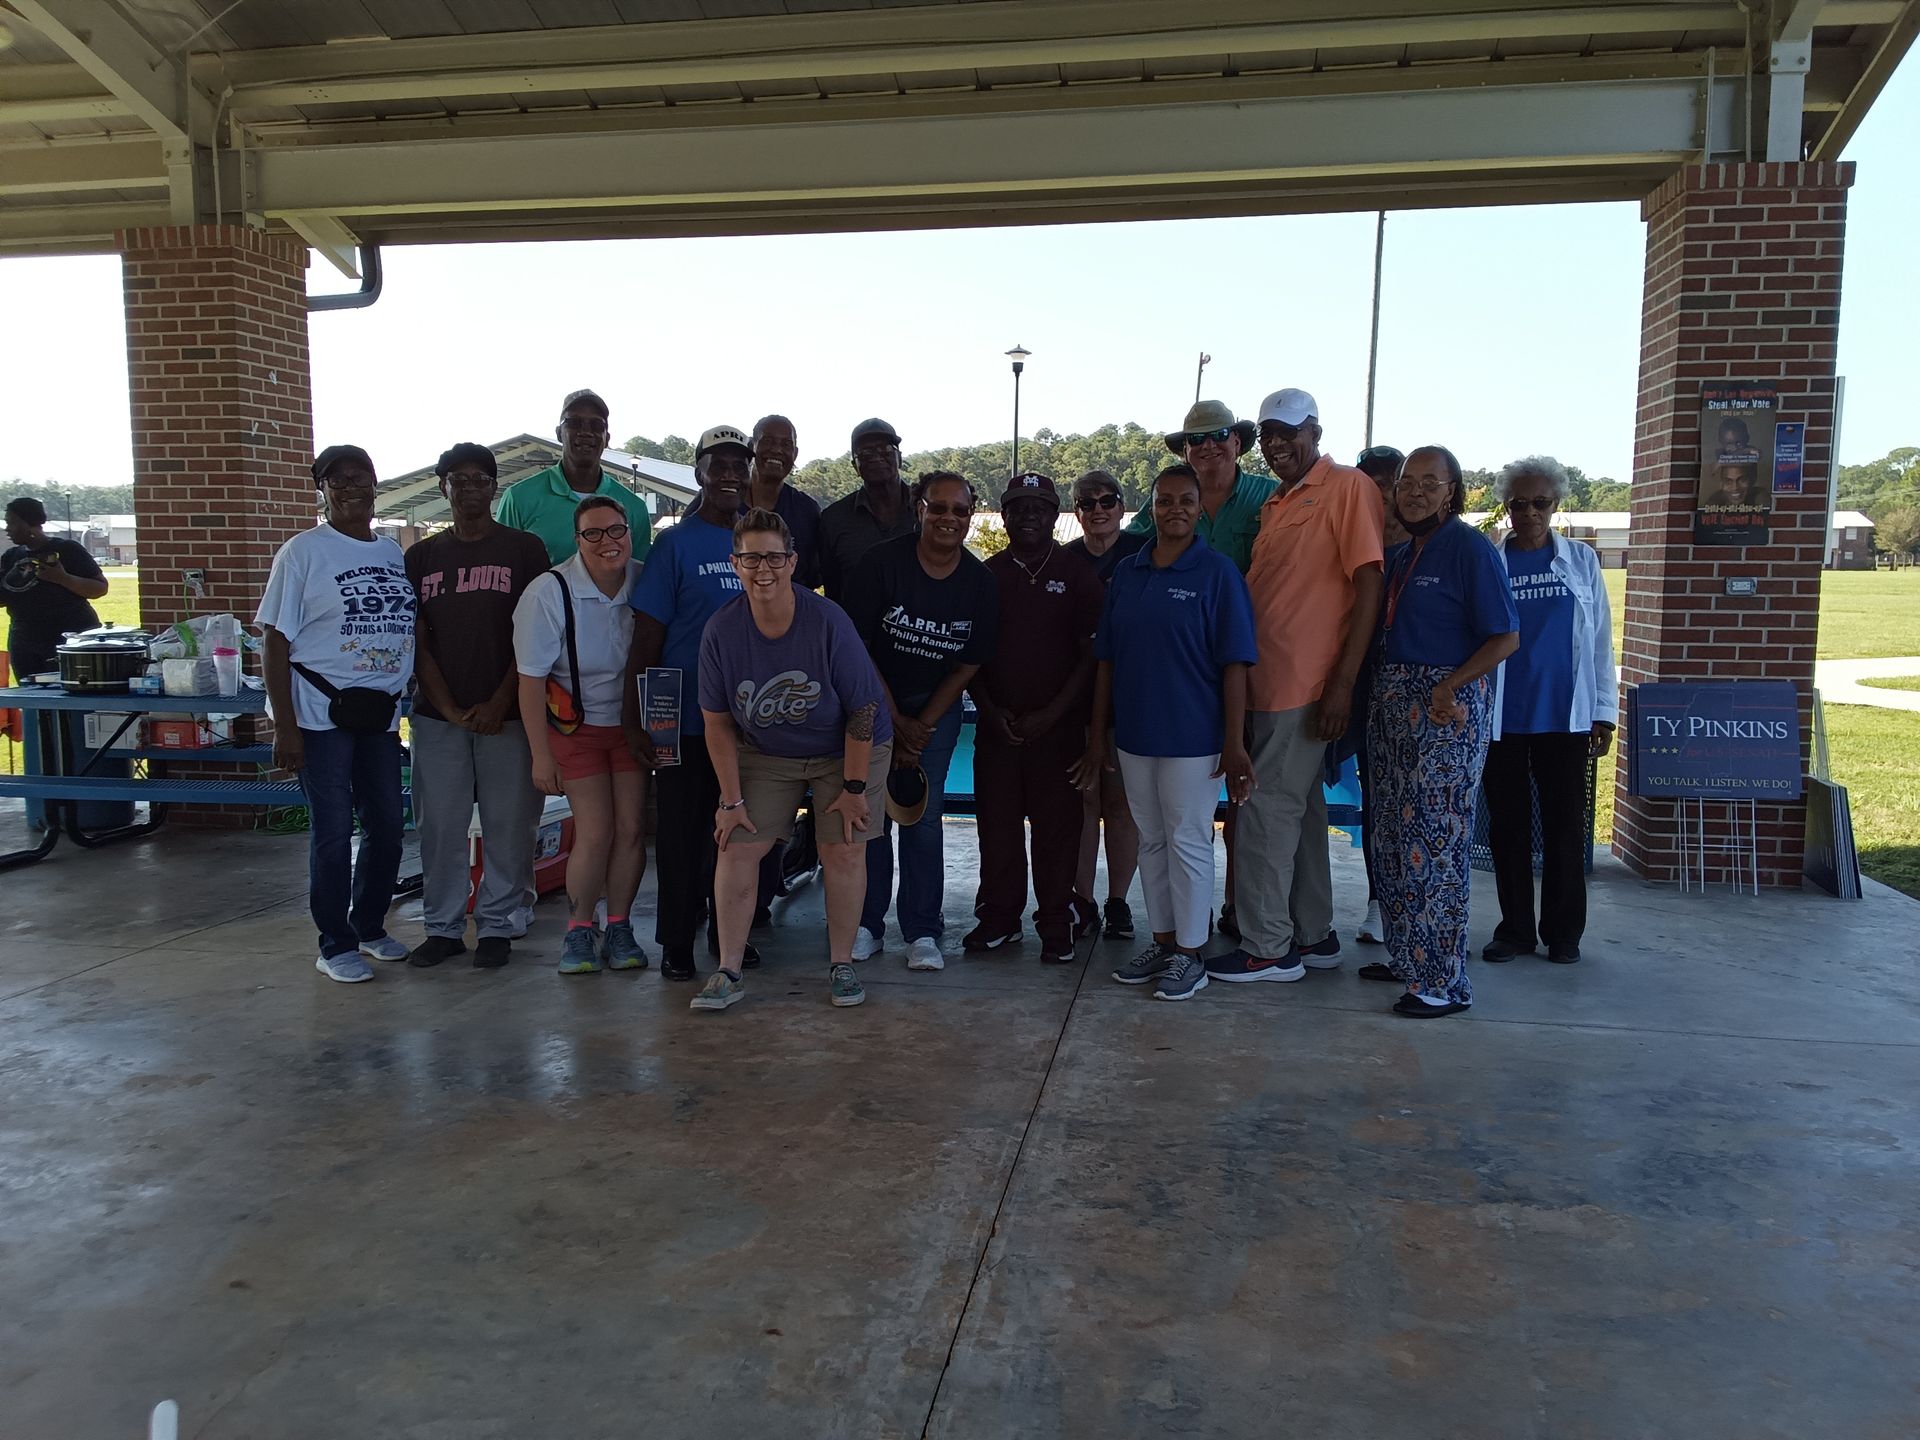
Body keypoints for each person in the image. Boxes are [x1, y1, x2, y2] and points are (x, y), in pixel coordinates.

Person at [692, 508, 891, 1013]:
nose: (764, 568)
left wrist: (851, 790)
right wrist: (731, 800)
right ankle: (728, 970)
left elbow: (863, 710)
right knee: (735, 845)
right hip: (767, 751)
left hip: (843, 747)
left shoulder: (827, 620)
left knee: (843, 847)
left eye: (774, 557)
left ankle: (842, 963)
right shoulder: (722, 630)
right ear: (735, 563)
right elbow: (716, 722)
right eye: (752, 557)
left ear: (793, 561)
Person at [1214, 389, 1383, 984]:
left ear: (1315, 430)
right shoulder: (1279, 502)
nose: (1279, 444)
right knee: (1302, 813)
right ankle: (1312, 935)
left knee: (1262, 811)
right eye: (1268, 434)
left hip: (1306, 682)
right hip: (1269, 681)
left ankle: (1267, 946)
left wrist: (1342, 683)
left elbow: (1368, 585)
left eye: (1289, 431)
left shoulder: (1348, 489)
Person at [1076, 464, 1256, 1003]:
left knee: (1189, 841)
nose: (1174, 509)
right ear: (1149, 508)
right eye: (1164, 500)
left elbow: (1236, 664)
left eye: (1186, 500)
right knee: (1151, 839)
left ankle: (1191, 953)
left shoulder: (1218, 574)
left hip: (1194, 737)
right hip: (1135, 735)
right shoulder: (1129, 573)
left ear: (1201, 509)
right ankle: (1162, 941)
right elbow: (1106, 659)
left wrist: (1234, 740)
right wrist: (1099, 733)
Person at [1361, 445, 1519, 1018]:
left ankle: (1444, 982)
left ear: (1451, 492)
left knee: (1437, 843)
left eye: (1432, 482)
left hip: (1442, 710)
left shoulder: (1468, 549)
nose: (1417, 491)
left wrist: (1450, 686)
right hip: (1394, 707)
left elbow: (1504, 637)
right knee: (1395, 838)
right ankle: (1409, 958)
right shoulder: (1408, 553)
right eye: (1408, 481)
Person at [258, 446, 416, 984]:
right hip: (319, 715)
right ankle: (335, 943)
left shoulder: (393, 553)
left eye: (361, 478)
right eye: (338, 480)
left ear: (376, 484)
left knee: (388, 827)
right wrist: (285, 725)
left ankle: (370, 926)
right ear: (321, 489)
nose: (352, 487)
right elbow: (274, 640)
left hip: (378, 715)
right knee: (331, 831)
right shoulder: (302, 553)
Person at [842, 471, 999, 970]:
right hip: (872, 704)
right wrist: (893, 720)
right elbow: (857, 649)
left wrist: (921, 726)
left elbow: (968, 664)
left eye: (960, 510)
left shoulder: (979, 583)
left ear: (970, 516)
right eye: (939, 508)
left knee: (923, 820)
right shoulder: (881, 565)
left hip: (935, 710)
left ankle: (922, 931)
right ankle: (866, 924)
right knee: (870, 818)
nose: (948, 519)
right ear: (920, 508)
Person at [404, 443, 550, 970]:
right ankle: (442, 927)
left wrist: (499, 701)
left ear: (495, 487)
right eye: (457, 479)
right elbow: (416, 641)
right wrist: (444, 706)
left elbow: (535, 636)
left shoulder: (524, 550)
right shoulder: (420, 557)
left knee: (510, 824)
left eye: (479, 478)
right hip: (438, 715)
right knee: (439, 825)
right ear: (443, 487)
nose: (468, 488)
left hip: (507, 716)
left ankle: (497, 925)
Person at [624, 425, 758, 982]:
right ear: (699, 470)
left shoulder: (762, 538)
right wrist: (636, 719)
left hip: (752, 719)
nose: (729, 473)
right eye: (718, 463)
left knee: (742, 833)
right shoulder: (675, 544)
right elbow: (648, 634)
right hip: (684, 720)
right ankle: (677, 939)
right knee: (681, 834)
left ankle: (731, 935)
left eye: (738, 464)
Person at [1483, 455, 1618, 966]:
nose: (1530, 513)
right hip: (1504, 719)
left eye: (1540, 503)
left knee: (1565, 828)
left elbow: (1600, 640)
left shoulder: (1581, 560)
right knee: (1508, 828)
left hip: (1566, 717)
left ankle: (1564, 934)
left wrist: (1604, 711)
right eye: (1519, 503)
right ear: (1507, 507)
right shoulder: (1492, 561)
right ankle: (1515, 930)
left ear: (1556, 505)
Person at [969, 473, 1104, 964]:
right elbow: (970, 657)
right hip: (997, 729)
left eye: (1039, 507)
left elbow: (1091, 658)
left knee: (1057, 832)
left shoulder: (1077, 574)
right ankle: (1000, 919)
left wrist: (1054, 713)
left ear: (1054, 515)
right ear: (1003, 516)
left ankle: (1055, 923)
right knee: (998, 830)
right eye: (1018, 507)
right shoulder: (985, 575)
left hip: (1059, 731)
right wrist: (987, 708)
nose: (1028, 515)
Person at [513, 495, 646, 976]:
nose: (608, 542)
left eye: (616, 530)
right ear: (578, 539)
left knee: (632, 829)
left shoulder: (643, 578)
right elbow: (529, 681)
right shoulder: (549, 592)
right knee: (596, 830)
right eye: (594, 533)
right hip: (576, 727)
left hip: (631, 726)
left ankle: (620, 923)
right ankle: (578, 929)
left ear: (629, 531)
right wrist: (540, 755)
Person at [1063, 469, 1146, 938]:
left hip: (1129, 696)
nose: (1098, 509)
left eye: (1107, 500)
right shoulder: (1065, 560)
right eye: (1087, 502)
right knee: (1082, 802)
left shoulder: (1143, 553)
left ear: (1121, 505)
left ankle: (1117, 902)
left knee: (1121, 806)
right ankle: (1082, 901)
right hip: (1077, 698)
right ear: (1076, 511)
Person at [1350, 443, 1407, 944]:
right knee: (1374, 797)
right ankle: (1376, 898)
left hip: (1415, 694)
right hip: (1357, 685)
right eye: (1370, 483)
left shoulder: (1424, 542)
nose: (1382, 494)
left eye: (1390, 483)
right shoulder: (1352, 537)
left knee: (1405, 799)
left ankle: (1406, 902)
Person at [495, 388, 654, 565]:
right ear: (559, 433)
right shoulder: (518, 498)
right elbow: (503, 570)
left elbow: (638, 576)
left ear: (607, 438)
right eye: (574, 423)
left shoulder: (635, 507)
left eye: (596, 425)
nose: (585, 432)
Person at [1123, 401, 1276, 572]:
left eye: (1220, 434)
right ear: (1185, 451)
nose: (1208, 445)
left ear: (1237, 442)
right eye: (1196, 438)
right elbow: (1126, 544)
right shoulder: (1165, 498)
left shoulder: (1272, 494)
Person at [816, 418, 918, 604]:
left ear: (900, 458)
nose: (877, 456)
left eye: (886, 449)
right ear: (855, 466)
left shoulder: (928, 511)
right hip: (855, 632)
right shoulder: (833, 519)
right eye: (865, 452)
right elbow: (833, 592)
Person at [2, 497, 109, 675]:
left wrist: (63, 578)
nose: (7, 529)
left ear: (30, 523)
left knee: (72, 698)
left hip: (70, 639)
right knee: (32, 699)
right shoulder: (10, 556)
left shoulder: (67, 549)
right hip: (24, 641)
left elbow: (100, 588)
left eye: (11, 523)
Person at [746, 414, 821, 590]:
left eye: (786, 444)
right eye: (768, 441)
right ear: (751, 446)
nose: (777, 450)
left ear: (795, 453)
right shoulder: (724, 503)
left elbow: (813, 578)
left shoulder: (807, 511)